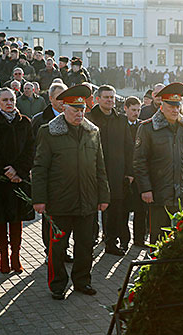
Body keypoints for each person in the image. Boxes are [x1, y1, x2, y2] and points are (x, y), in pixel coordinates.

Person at [31, 84, 110, 300]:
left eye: (82, 109)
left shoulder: (93, 132)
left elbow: (100, 167)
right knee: (58, 248)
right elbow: (39, 168)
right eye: (75, 109)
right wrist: (39, 199)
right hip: (60, 202)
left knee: (85, 246)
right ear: (64, 108)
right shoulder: (48, 132)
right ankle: (58, 284)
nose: (79, 113)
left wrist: (103, 197)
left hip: (87, 201)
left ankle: (82, 281)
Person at [133, 82, 183, 244]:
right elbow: (139, 161)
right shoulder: (148, 128)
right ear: (161, 106)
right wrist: (146, 189)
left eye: (177, 106)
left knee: (181, 239)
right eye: (171, 106)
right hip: (159, 194)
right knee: (158, 239)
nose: (175, 110)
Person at [0, 88, 35, 274]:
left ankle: (15, 255)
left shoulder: (25, 123)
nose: (9, 103)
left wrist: (19, 170)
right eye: (4, 100)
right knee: (1, 219)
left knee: (16, 219)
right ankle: (3, 256)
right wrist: (7, 170)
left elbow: (30, 150)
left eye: (11, 99)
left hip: (19, 179)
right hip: (0, 179)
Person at [86, 85, 134, 256]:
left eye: (112, 97)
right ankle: (89, 241)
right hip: (92, 172)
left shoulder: (121, 120)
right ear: (97, 99)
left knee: (114, 210)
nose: (110, 100)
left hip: (116, 172)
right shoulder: (88, 118)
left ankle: (111, 242)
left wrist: (129, 172)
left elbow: (129, 147)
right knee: (91, 209)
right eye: (106, 97)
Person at [31, 82, 72, 263]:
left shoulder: (72, 117)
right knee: (50, 218)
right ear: (50, 99)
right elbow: (32, 148)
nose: (62, 102)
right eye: (58, 98)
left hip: (69, 176)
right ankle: (50, 251)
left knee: (68, 217)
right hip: (49, 176)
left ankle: (63, 250)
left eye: (65, 98)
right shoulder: (39, 120)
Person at [124, 96, 147, 246]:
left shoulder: (143, 126)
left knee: (141, 210)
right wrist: (127, 173)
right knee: (124, 210)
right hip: (125, 175)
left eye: (138, 110)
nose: (136, 113)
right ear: (125, 109)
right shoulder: (120, 126)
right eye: (133, 110)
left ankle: (139, 239)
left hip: (140, 175)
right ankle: (124, 240)